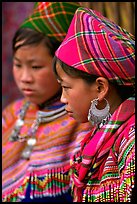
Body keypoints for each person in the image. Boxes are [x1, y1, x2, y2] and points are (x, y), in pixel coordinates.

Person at [2, 2, 91, 202]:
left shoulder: (82, 119)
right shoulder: (11, 115)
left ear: (63, 66)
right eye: (18, 65)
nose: (24, 77)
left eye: (35, 66)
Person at [53, 7, 135, 202]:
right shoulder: (100, 137)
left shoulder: (130, 144)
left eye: (66, 87)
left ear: (100, 88)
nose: (62, 99)